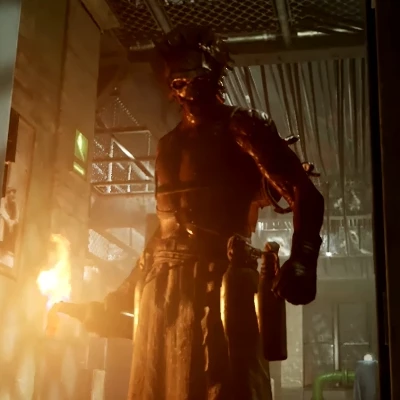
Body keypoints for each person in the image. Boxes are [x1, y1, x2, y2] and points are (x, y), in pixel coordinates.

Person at [81, 25, 324, 400]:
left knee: (226, 386)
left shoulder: (243, 126)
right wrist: (124, 293)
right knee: (158, 387)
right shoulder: (168, 145)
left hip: (221, 285)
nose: (187, 89)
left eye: (195, 77)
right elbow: (163, 231)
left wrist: (304, 258)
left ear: (213, 76)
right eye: (179, 81)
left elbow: (304, 192)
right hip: (163, 293)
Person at [0, 187, 19, 255]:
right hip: (4, 221)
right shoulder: (3, 200)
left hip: (10, 224)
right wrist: (9, 221)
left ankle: (10, 248)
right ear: (7, 194)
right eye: (11, 194)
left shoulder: (14, 204)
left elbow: (17, 216)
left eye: (13, 194)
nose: (12, 196)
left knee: (16, 226)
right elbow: (2, 211)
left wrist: (13, 222)